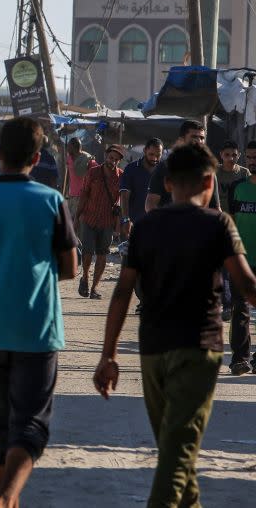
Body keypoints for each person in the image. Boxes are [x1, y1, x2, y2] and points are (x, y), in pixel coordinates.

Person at [94, 144, 256, 506]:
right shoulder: (218, 224)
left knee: (174, 448)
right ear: (210, 182)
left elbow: (121, 294)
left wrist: (109, 355)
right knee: (177, 451)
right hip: (199, 349)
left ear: (167, 184)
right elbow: (246, 287)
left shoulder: (147, 227)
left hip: (153, 349)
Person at [0, 117, 78, 508]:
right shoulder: (51, 201)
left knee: (1, 426)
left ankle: (5, 499)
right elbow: (71, 268)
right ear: (36, 157)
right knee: (29, 426)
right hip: (36, 329)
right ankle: (8, 496)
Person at [76, 145, 124, 300]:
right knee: (88, 253)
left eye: (116, 160)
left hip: (107, 221)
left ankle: (94, 288)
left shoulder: (121, 176)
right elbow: (84, 195)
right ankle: (85, 278)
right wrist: (77, 217)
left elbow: (121, 201)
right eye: (111, 158)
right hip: (89, 218)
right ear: (105, 156)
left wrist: (118, 224)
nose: (113, 162)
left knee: (102, 254)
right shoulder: (93, 173)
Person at [225, 140, 256, 375]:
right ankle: (240, 358)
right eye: (249, 157)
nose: (252, 161)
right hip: (242, 260)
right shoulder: (237, 187)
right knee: (240, 309)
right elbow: (231, 221)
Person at [145, 120, 220, 212]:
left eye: (202, 138)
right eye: (194, 137)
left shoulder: (208, 170)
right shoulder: (166, 167)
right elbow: (150, 205)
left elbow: (215, 208)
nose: (199, 141)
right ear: (182, 140)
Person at [120, 138, 163, 239]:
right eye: (151, 154)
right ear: (145, 150)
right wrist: (126, 219)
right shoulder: (131, 169)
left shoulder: (164, 171)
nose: (155, 158)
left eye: (158, 155)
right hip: (135, 225)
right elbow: (124, 195)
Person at [64, 137, 98, 231]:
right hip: (71, 195)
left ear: (74, 147)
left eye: (69, 146)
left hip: (83, 195)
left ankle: (79, 242)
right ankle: (74, 241)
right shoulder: (69, 158)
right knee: (70, 220)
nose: (67, 148)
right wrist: (66, 190)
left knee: (79, 221)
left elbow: (97, 173)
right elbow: (68, 176)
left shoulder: (88, 159)